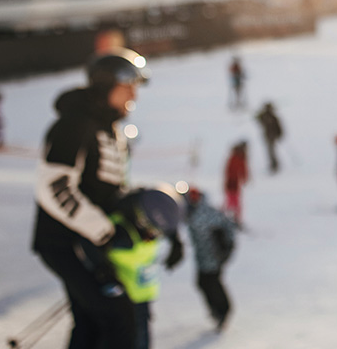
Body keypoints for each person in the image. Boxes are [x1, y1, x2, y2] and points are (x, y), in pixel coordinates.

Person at [30, 48, 149, 349]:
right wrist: (104, 231)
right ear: (106, 85)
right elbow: (55, 187)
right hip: (65, 241)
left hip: (89, 242)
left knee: (91, 322)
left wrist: (137, 213)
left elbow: (109, 188)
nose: (134, 94)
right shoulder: (74, 125)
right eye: (128, 86)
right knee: (116, 317)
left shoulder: (109, 129)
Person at [106, 186, 185, 349]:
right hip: (123, 300)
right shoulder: (122, 234)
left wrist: (176, 241)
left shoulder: (148, 226)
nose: (154, 235)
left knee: (141, 337)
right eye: (152, 229)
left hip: (142, 296)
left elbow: (166, 213)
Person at [182, 186, 238, 331]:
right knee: (203, 283)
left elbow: (226, 226)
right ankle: (218, 310)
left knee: (210, 283)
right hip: (205, 256)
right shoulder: (198, 211)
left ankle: (223, 310)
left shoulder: (201, 214)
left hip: (213, 257)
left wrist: (225, 248)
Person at [223, 141, 249, 226]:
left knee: (234, 202)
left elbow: (243, 169)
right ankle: (228, 218)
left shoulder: (239, 158)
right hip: (232, 183)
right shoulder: (235, 158)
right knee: (231, 202)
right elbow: (230, 171)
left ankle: (234, 219)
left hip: (235, 183)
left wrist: (244, 178)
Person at [254, 102, 284, 174]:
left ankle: (274, 164)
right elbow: (256, 118)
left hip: (272, 137)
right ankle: (273, 164)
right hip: (267, 136)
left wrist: (279, 135)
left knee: (271, 151)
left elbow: (279, 127)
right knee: (270, 151)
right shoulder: (264, 116)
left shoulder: (273, 117)